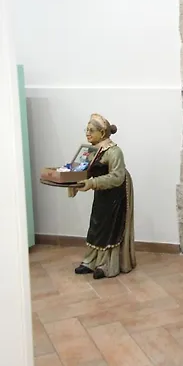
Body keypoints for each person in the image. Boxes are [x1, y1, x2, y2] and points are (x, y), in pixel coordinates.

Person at [72, 113, 136, 279]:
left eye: (91, 130)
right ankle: (91, 261)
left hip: (116, 192)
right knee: (96, 223)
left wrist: (92, 183)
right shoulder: (91, 150)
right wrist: (71, 180)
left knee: (110, 226)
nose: (87, 133)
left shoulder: (114, 152)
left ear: (102, 133)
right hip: (101, 191)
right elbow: (83, 170)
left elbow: (117, 177)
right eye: (86, 130)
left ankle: (107, 265)